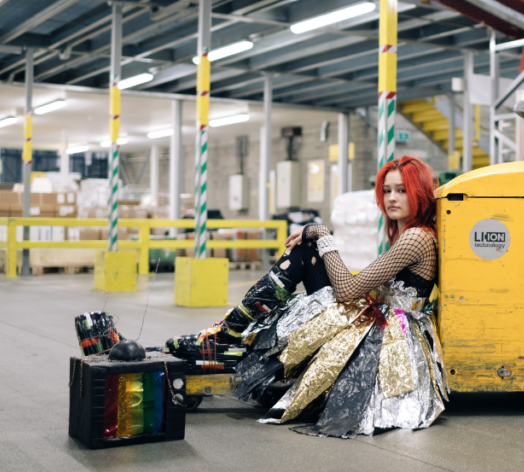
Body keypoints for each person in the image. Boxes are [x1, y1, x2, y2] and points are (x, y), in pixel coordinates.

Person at [166, 156, 447, 437]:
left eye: (402, 190)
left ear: (420, 193)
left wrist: (324, 234)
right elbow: (362, 287)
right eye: (387, 190)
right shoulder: (410, 234)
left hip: (391, 332)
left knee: (309, 248)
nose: (392, 198)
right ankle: (227, 332)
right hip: (382, 317)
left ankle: (226, 333)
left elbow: (348, 290)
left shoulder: (417, 238)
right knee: (308, 250)